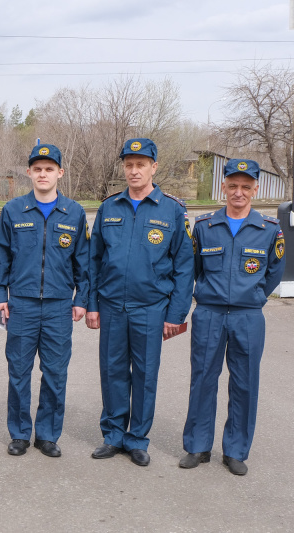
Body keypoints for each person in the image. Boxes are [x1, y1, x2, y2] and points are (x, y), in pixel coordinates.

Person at [86, 138, 194, 467]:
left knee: (145, 374)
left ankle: (137, 438)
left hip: (151, 307)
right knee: (112, 370)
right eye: (129, 165)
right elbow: (94, 260)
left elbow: (185, 266)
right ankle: (114, 434)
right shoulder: (109, 207)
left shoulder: (172, 210)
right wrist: (92, 304)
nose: (134, 171)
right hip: (112, 305)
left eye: (141, 164)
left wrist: (176, 314)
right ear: (124, 167)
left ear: (153, 167)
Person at [179, 159, 284, 476]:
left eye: (246, 186)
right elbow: (192, 269)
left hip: (248, 317)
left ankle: (236, 450)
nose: (239, 192)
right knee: (202, 381)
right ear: (223, 187)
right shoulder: (204, 226)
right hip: (209, 313)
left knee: (245, 384)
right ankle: (198, 446)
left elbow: (273, 275)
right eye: (233, 185)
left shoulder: (269, 230)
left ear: (254, 189)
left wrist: (251, 297)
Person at [0, 144, 89, 458]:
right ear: (30, 173)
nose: (43, 174)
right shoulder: (13, 210)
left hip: (59, 305)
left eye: (49, 169)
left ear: (60, 172)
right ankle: (19, 434)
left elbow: (82, 262)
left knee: (56, 373)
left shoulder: (74, 212)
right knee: (18, 371)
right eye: (37, 169)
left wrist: (81, 299)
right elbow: (1, 257)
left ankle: (47, 435)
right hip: (22, 304)